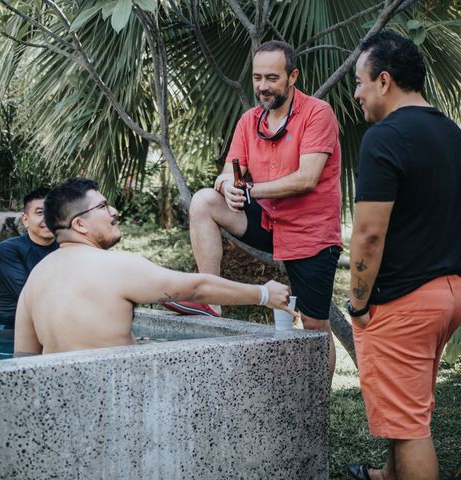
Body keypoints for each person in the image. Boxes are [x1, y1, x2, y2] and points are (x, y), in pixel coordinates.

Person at [163, 40, 342, 380]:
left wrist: (250, 190)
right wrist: (227, 185)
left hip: (311, 233)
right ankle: (210, 299)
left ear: (293, 77)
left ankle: (317, 406)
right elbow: (231, 171)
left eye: (272, 77)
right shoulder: (249, 120)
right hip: (267, 220)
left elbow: (306, 179)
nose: (262, 86)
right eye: (258, 77)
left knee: (314, 323)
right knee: (203, 200)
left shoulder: (318, 113)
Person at [346, 32, 461, 480]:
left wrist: (358, 303)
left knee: (411, 424)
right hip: (450, 293)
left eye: (360, 82)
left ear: (384, 81)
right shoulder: (453, 132)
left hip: (405, 301)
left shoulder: (384, 137)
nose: (356, 93)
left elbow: (369, 236)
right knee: (408, 406)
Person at [14, 177, 296, 356]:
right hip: (115, 403)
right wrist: (263, 294)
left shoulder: (35, 279)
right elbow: (196, 288)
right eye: (103, 207)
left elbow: (23, 360)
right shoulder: (115, 267)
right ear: (79, 224)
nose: (114, 212)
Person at [0, 188, 58, 329]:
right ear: (25, 220)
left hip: (50, 325)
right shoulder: (7, 251)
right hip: (7, 328)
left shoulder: (65, 248)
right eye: (40, 213)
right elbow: (29, 297)